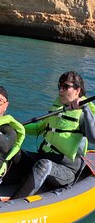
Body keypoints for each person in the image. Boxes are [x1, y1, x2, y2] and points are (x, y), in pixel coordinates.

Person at [9, 71, 95, 199]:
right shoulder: (57, 108)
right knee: (13, 151)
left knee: (44, 165)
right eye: (59, 86)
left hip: (65, 171)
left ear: (78, 90)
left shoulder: (83, 114)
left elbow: (93, 138)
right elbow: (38, 128)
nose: (61, 90)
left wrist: (86, 109)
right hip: (42, 158)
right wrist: (13, 127)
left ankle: (12, 206)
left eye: (66, 87)